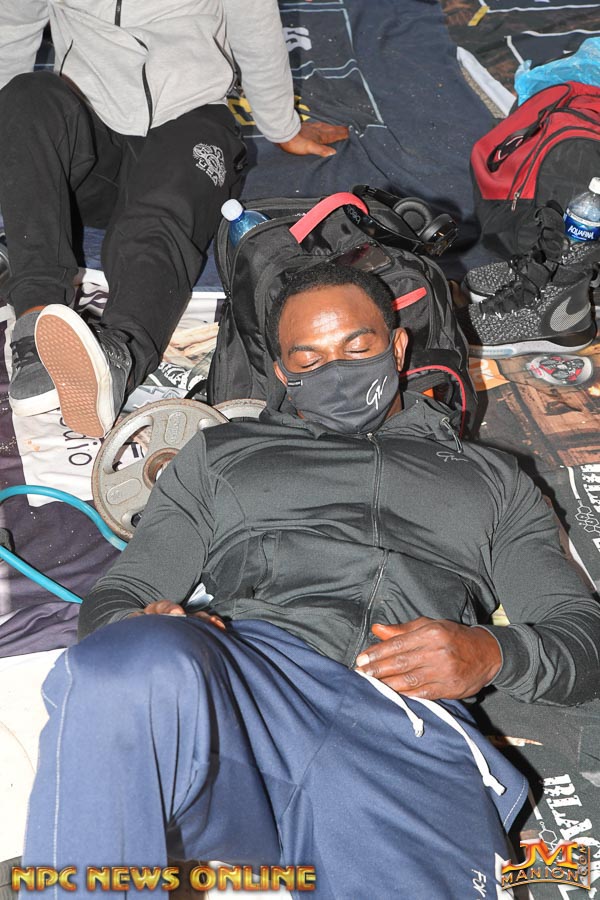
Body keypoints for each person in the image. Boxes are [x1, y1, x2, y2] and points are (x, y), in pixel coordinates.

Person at [22, 263, 600, 898]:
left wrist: (491, 652)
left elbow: (582, 638)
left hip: (403, 723)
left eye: (357, 346)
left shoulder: (495, 480)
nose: (337, 369)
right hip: (247, 691)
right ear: (282, 372)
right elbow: (121, 593)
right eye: (310, 358)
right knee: (123, 663)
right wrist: (134, 624)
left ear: (397, 346)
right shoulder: (220, 455)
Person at [0, 0, 348, 437]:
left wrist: (282, 126)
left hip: (190, 119)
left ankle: (116, 358)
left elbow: (254, 27)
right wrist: (14, 141)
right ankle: (34, 329)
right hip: (89, 139)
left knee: (158, 215)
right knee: (25, 95)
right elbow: (12, 27)